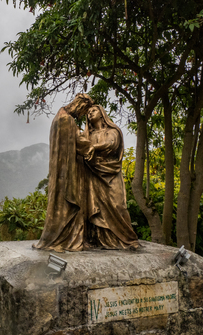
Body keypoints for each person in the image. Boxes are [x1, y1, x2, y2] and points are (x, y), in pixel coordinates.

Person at [32, 93, 94, 252]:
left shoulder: (59, 116)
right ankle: (65, 239)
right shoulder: (67, 120)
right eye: (84, 111)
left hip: (59, 169)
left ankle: (64, 238)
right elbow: (76, 142)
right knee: (67, 202)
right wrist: (91, 146)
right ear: (81, 105)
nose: (82, 115)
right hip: (66, 171)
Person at [83, 105, 139, 249]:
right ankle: (103, 240)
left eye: (93, 111)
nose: (90, 113)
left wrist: (94, 147)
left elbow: (112, 144)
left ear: (102, 114)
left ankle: (128, 239)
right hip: (94, 173)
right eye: (88, 112)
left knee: (118, 205)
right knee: (98, 208)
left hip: (111, 171)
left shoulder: (113, 131)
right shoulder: (88, 135)